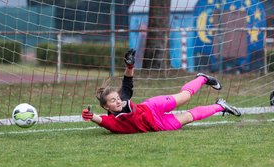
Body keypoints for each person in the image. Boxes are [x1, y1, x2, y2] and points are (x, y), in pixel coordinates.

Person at [82, 49, 241, 134]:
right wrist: (90, 116)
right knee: (188, 116)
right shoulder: (114, 122)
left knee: (185, 97)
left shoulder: (123, 98)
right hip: (158, 125)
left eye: (116, 98)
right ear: (106, 107)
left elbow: (127, 82)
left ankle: (203, 78)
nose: (117, 101)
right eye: (112, 101)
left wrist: (130, 66)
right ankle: (221, 105)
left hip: (153, 107)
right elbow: (102, 120)